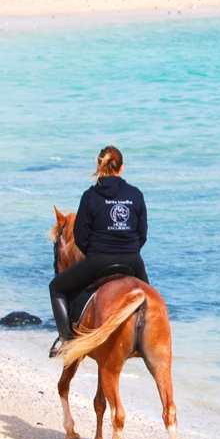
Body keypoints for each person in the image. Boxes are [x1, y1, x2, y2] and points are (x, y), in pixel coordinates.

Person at [48, 145, 149, 357]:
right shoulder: (136, 194)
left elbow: (81, 236)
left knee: (56, 287)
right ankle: (148, 339)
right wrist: (128, 250)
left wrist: (96, 253)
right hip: (133, 261)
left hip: (99, 261)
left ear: (99, 167)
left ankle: (66, 341)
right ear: (121, 167)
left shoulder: (90, 196)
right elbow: (142, 234)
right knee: (149, 300)